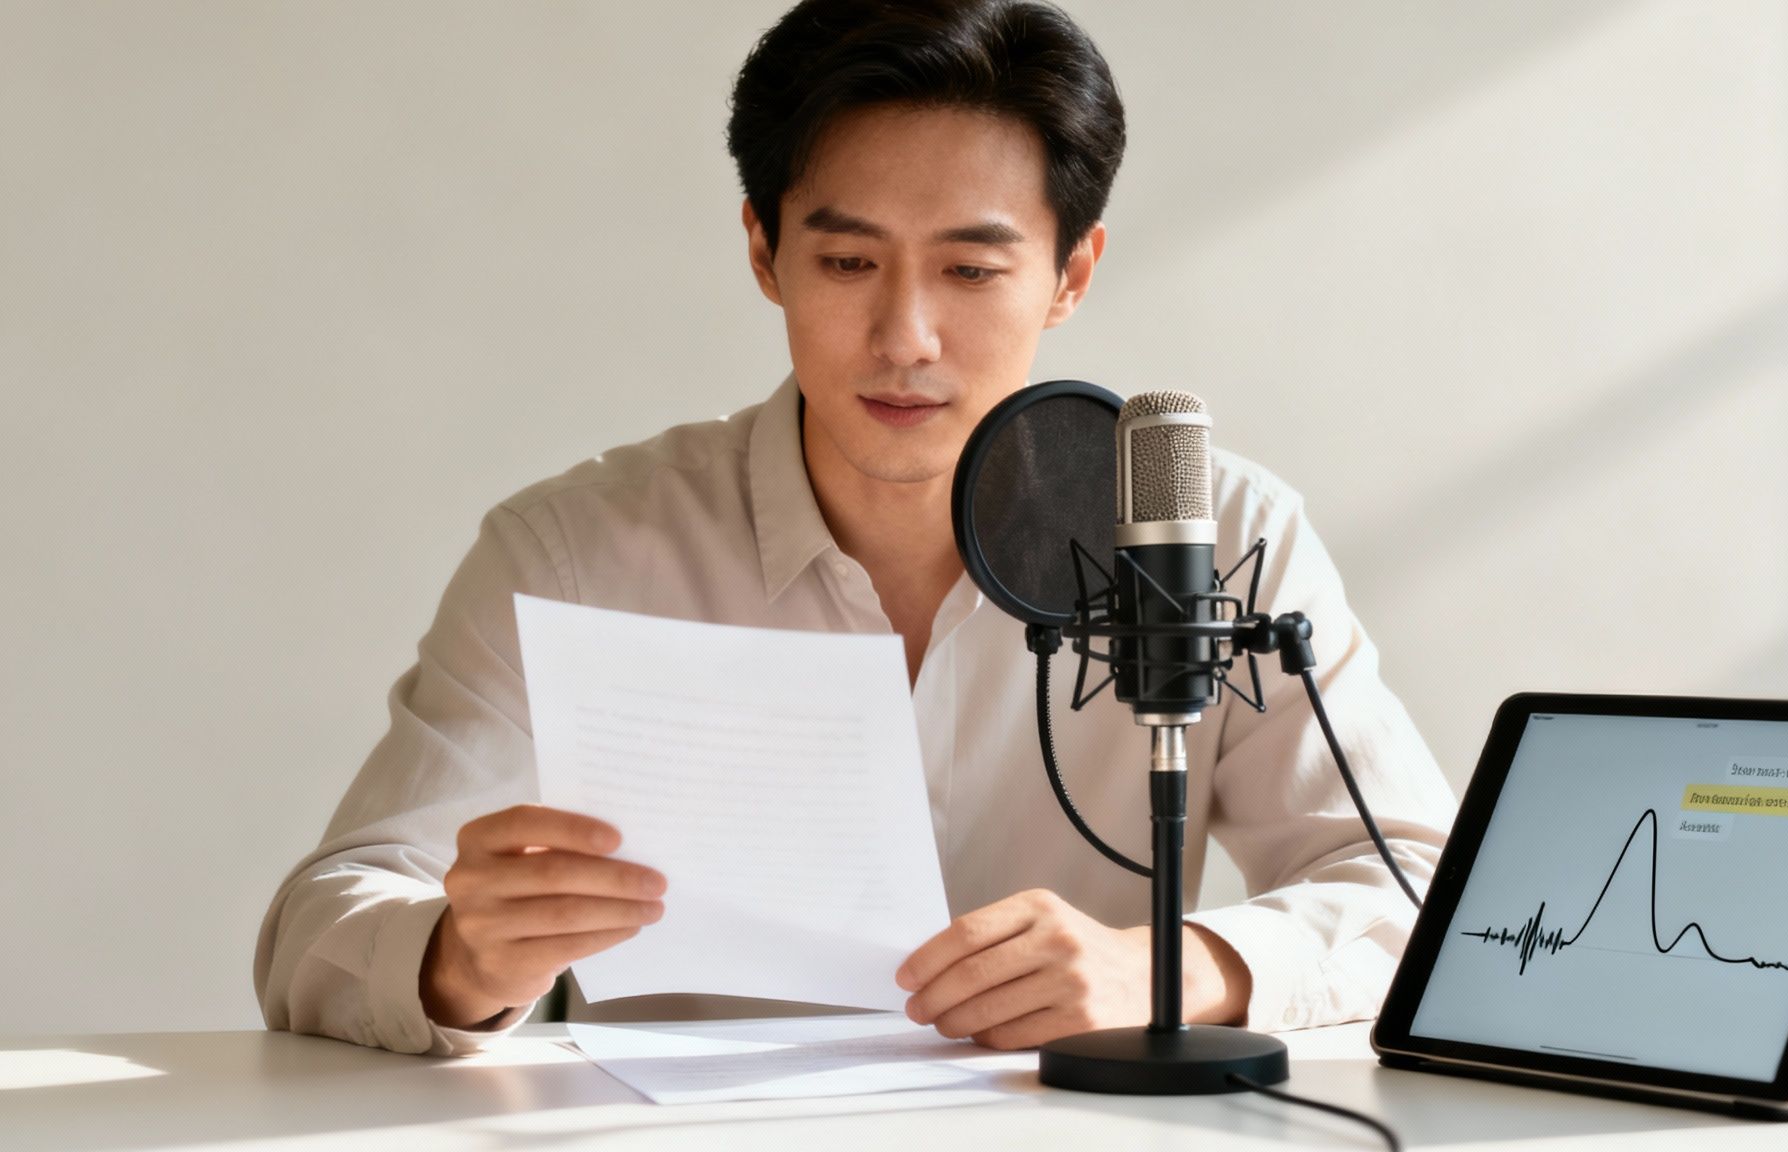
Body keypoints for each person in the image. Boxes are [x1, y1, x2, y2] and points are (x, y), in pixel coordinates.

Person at [254, 0, 1456, 1057]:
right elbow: (319, 928)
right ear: (762, 251)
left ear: (1071, 273)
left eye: (970, 272)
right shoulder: (574, 553)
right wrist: (456, 959)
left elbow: (1419, 897)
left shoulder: (1214, 531)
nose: (904, 339)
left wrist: (1177, 970)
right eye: (844, 261)